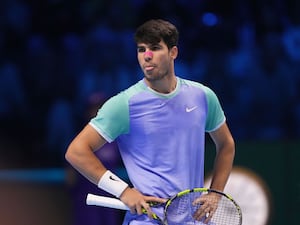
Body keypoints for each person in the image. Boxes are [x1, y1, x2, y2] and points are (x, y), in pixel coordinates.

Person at [65, 19, 235, 225]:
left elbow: (226, 145)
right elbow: (76, 151)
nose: (146, 56)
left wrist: (215, 192)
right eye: (141, 49)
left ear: (173, 52)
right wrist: (123, 191)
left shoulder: (203, 96)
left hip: (192, 219)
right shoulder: (123, 104)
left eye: (155, 48)